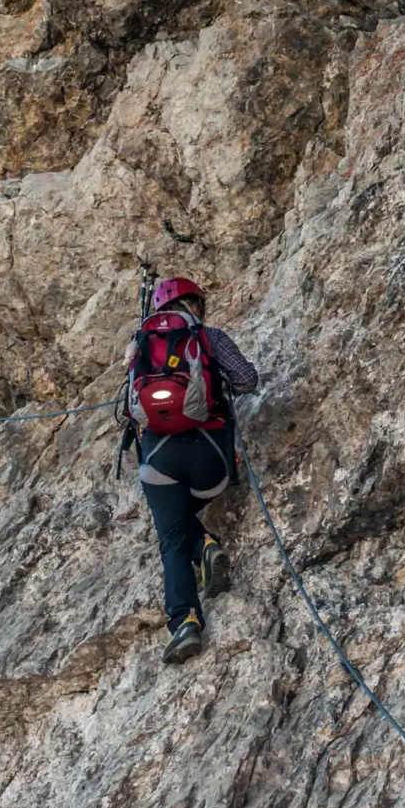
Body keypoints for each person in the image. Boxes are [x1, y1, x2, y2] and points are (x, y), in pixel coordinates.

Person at [124, 277, 259, 664]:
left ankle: (185, 621)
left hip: (159, 459)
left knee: (171, 537)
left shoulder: (139, 347)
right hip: (211, 459)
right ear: (194, 304)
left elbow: (131, 412)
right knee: (182, 518)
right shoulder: (209, 336)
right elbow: (248, 381)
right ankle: (204, 545)